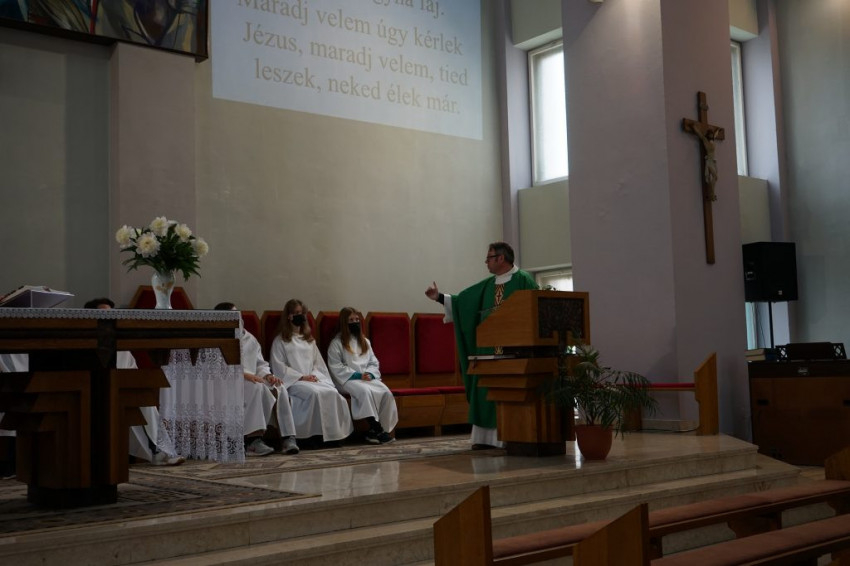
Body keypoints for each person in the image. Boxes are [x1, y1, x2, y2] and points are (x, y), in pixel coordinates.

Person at [425, 242, 538, 449]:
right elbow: (462, 302)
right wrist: (439, 297)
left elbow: (533, 311)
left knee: (507, 392)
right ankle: (484, 439)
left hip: (513, 352)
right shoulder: (488, 284)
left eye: (489, 258)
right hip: (487, 350)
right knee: (483, 390)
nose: (486, 262)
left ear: (501, 258)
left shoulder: (524, 280)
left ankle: (507, 437)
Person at [84, 298, 185, 465]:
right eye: (103, 314)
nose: (107, 319)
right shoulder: (84, 342)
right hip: (94, 392)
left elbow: (132, 371)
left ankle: (161, 451)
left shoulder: (120, 345)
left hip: (122, 390)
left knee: (144, 403)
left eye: (110, 314)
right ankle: (156, 452)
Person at [214, 302, 299, 456]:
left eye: (239, 315)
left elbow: (260, 364)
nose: (239, 319)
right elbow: (217, 367)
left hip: (253, 378)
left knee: (279, 387)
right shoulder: (217, 339)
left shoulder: (249, 339)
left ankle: (288, 438)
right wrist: (244, 375)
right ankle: (252, 441)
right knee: (256, 388)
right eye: (233, 316)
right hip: (229, 382)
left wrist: (268, 375)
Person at [269, 299, 353, 446]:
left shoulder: (309, 340)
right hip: (294, 382)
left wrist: (314, 376)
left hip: (312, 379)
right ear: (288, 316)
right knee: (314, 394)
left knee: (332, 393)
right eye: (296, 313)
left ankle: (333, 436)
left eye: (302, 313)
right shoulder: (280, 340)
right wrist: (302, 377)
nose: (300, 316)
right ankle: (310, 437)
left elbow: (318, 364)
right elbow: (279, 367)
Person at [326, 307, 398, 444]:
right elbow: (336, 366)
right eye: (351, 320)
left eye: (357, 319)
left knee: (386, 392)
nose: (355, 322)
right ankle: (377, 429)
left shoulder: (365, 342)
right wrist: (358, 375)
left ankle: (375, 431)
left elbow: (373, 362)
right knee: (364, 391)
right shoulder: (337, 343)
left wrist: (370, 373)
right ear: (344, 323)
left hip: (366, 378)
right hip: (347, 380)